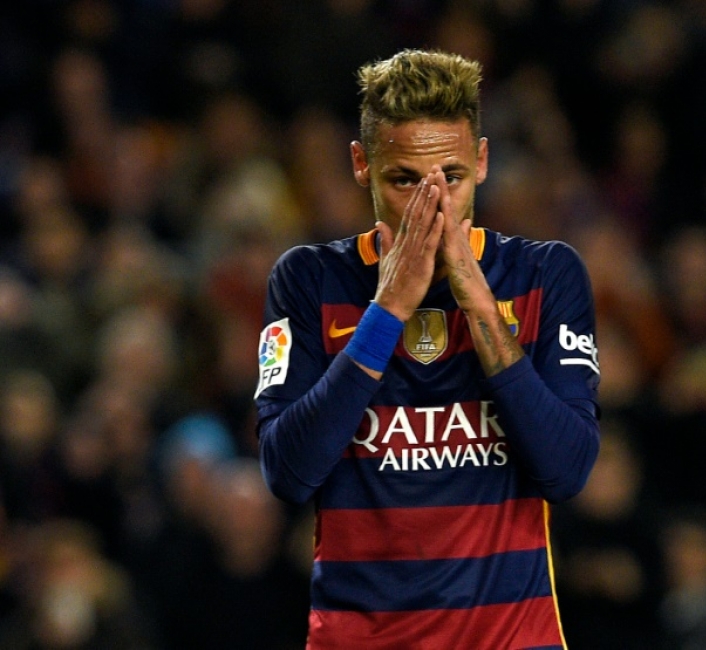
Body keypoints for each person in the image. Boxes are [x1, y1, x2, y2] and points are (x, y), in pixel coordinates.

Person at [254, 48, 601, 649]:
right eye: (404, 180)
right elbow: (288, 472)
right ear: (361, 164)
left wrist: (479, 305)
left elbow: (567, 471)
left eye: (451, 178)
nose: (431, 204)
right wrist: (387, 310)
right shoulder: (308, 280)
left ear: (483, 161)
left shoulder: (545, 275)